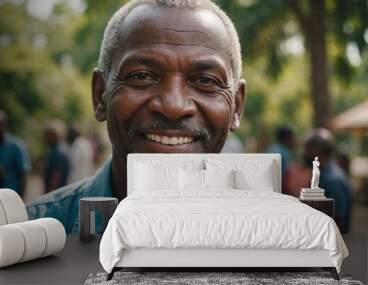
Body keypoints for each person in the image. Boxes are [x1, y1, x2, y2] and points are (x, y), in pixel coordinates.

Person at [27, 0, 246, 233]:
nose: (173, 106)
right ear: (100, 94)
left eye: (205, 80)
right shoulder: (29, 238)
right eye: (141, 76)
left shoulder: (279, 244)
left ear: (237, 106)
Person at [303, 128, 352, 233]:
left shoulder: (333, 180)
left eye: (307, 148)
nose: (304, 153)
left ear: (317, 151)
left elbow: (336, 218)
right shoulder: (323, 175)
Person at [0, 110, 31, 196]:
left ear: (4, 125)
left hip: (10, 197)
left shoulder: (16, 146)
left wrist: (20, 198)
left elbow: (24, 174)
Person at [43, 120, 71, 193]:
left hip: (56, 192)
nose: (45, 138)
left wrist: (50, 193)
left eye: (47, 135)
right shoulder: (56, 149)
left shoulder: (59, 152)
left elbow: (57, 176)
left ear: (54, 135)